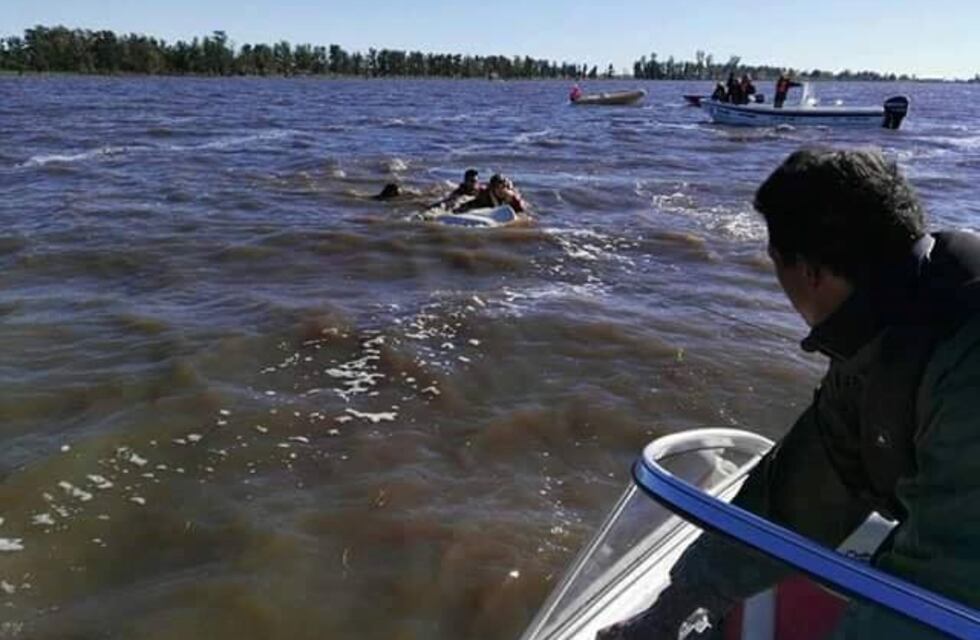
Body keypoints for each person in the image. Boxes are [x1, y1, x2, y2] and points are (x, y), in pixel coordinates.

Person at [597, 147, 980, 639]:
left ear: (808, 272)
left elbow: (939, 595)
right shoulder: (891, 324)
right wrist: (678, 604)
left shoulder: (964, 356)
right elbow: (801, 490)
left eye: (775, 265)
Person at [454, 173, 526, 214]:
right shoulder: (485, 193)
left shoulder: (514, 198)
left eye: (503, 187)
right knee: (462, 208)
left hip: (501, 205)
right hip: (487, 202)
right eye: (497, 187)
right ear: (493, 188)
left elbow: (522, 212)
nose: (500, 190)